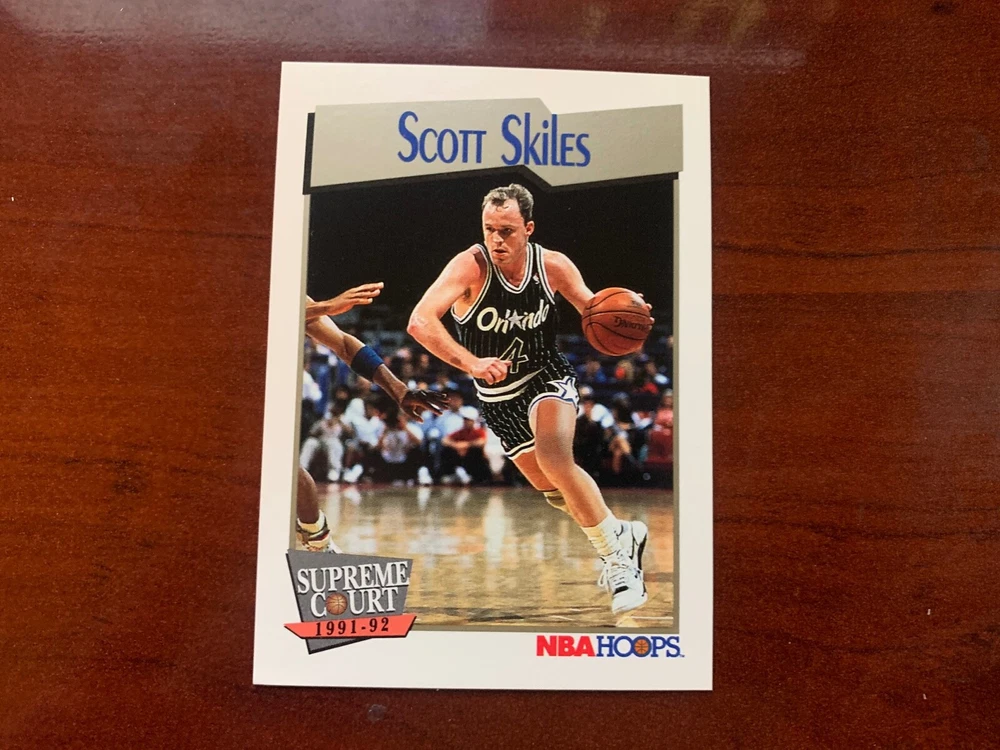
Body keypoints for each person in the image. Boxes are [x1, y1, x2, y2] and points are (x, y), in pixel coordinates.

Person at [407, 183, 654, 615]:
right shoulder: (469, 266)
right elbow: (420, 320)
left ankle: (619, 563)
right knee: (552, 489)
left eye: (506, 230)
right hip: (497, 398)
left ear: (529, 228)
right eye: (489, 229)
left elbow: (596, 310)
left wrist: (629, 312)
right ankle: (620, 532)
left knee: (555, 459)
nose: (497, 240)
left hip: (546, 377)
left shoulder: (553, 266)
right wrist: (470, 362)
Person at [296, 283, 448, 551]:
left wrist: (399, 390)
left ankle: (318, 543)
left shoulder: (289, 293)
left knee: (288, 471)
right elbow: (264, 316)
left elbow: (344, 344)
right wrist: (326, 306)